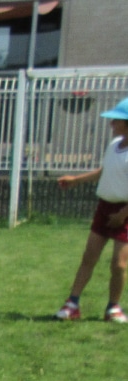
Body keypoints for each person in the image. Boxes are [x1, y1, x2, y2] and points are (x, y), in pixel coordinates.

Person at [53, 97, 128, 323]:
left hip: (124, 212)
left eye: (116, 120)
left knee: (119, 263)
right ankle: (72, 303)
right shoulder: (114, 145)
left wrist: (123, 214)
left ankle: (113, 307)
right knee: (89, 257)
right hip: (105, 208)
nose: (111, 124)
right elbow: (103, 172)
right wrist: (76, 180)